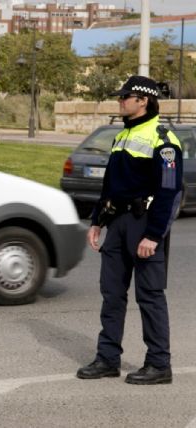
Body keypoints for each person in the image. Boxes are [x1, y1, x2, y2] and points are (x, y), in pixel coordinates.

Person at [77, 76, 183, 385]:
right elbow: (110, 185)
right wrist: (97, 220)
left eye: (126, 97)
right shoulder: (122, 136)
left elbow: (168, 191)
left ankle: (159, 364)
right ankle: (108, 358)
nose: (120, 101)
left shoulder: (164, 140)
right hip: (118, 224)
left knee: (149, 296)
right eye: (120, 96)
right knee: (112, 294)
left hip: (144, 224)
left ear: (144, 100)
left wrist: (154, 235)